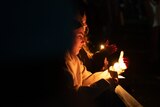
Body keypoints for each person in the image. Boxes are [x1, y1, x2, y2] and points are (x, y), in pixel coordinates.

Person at [62, 11, 127, 107]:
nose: (83, 41)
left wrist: (108, 73)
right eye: (80, 36)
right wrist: (106, 82)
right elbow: (74, 96)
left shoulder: (74, 59)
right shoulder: (62, 63)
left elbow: (87, 78)